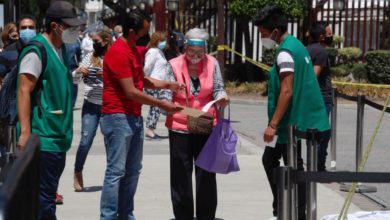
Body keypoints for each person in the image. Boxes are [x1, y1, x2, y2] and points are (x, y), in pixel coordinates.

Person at [99, 10, 183, 219]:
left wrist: (169, 85)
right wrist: (161, 103)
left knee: (133, 170)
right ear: (131, 32)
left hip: (133, 117)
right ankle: (108, 216)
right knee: (116, 172)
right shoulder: (119, 52)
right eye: (144, 32)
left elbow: (142, 80)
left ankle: (126, 214)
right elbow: (131, 91)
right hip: (117, 116)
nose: (147, 36)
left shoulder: (133, 50)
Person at [253, 5, 330, 220]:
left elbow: (286, 90)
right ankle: (288, 207)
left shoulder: (285, 52)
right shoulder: (296, 44)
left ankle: (291, 210)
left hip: (290, 122)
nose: (263, 37)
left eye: (263, 34)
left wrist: (273, 125)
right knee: (287, 164)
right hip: (295, 119)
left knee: (289, 165)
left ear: (275, 31)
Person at [16, 1, 84, 219]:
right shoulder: (36, 51)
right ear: (55, 26)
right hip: (42, 136)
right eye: (70, 26)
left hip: (57, 135)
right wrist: (25, 132)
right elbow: (24, 90)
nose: (74, 31)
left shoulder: (61, 48)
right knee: (44, 199)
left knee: (47, 194)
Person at [162, 28, 229, 220]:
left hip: (205, 124)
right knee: (180, 174)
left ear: (206, 50)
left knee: (206, 174)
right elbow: (165, 94)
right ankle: (183, 216)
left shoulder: (212, 63)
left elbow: (217, 87)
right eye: (191, 52)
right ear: (185, 48)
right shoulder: (173, 65)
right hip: (179, 126)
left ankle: (206, 216)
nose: (195, 57)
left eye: (200, 53)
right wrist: (168, 103)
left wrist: (222, 97)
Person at [73, 30, 112, 191]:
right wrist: (77, 72)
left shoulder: (112, 57)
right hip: (91, 105)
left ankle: (112, 177)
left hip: (109, 106)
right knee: (85, 141)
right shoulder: (90, 57)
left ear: (105, 40)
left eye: (97, 40)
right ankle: (78, 171)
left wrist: (108, 75)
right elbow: (75, 79)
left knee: (110, 144)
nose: (95, 44)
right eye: (93, 41)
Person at [307, 21, 333, 171]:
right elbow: (313, 76)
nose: (331, 36)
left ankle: (314, 163)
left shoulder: (307, 49)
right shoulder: (321, 52)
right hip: (321, 98)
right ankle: (317, 166)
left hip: (314, 98)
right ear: (322, 36)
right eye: (329, 33)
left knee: (313, 132)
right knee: (322, 133)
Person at [144, 31, 169, 139]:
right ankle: (150, 130)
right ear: (156, 41)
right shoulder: (153, 52)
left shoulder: (159, 51)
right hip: (154, 83)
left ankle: (151, 129)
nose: (164, 42)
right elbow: (147, 67)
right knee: (156, 107)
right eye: (162, 40)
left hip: (159, 84)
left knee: (157, 107)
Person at [65, 36, 82, 108]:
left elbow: (79, 53)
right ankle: (68, 103)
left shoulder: (76, 41)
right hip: (66, 66)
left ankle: (71, 104)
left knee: (74, 85)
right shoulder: (61, 41)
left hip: (73, 66)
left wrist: (79, 63)